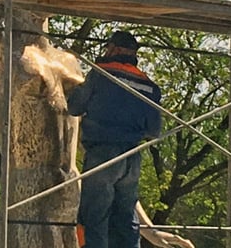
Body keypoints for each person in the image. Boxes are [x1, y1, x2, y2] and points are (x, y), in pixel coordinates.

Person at [67, 31, 163, 248]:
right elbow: (154, 131)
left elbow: (74, 107)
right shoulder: (149, 86)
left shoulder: (101, 74)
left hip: (103, 153)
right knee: (127, 219)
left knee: (95, 217)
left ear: (115, 49)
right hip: (132, 157)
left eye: (109, 47)